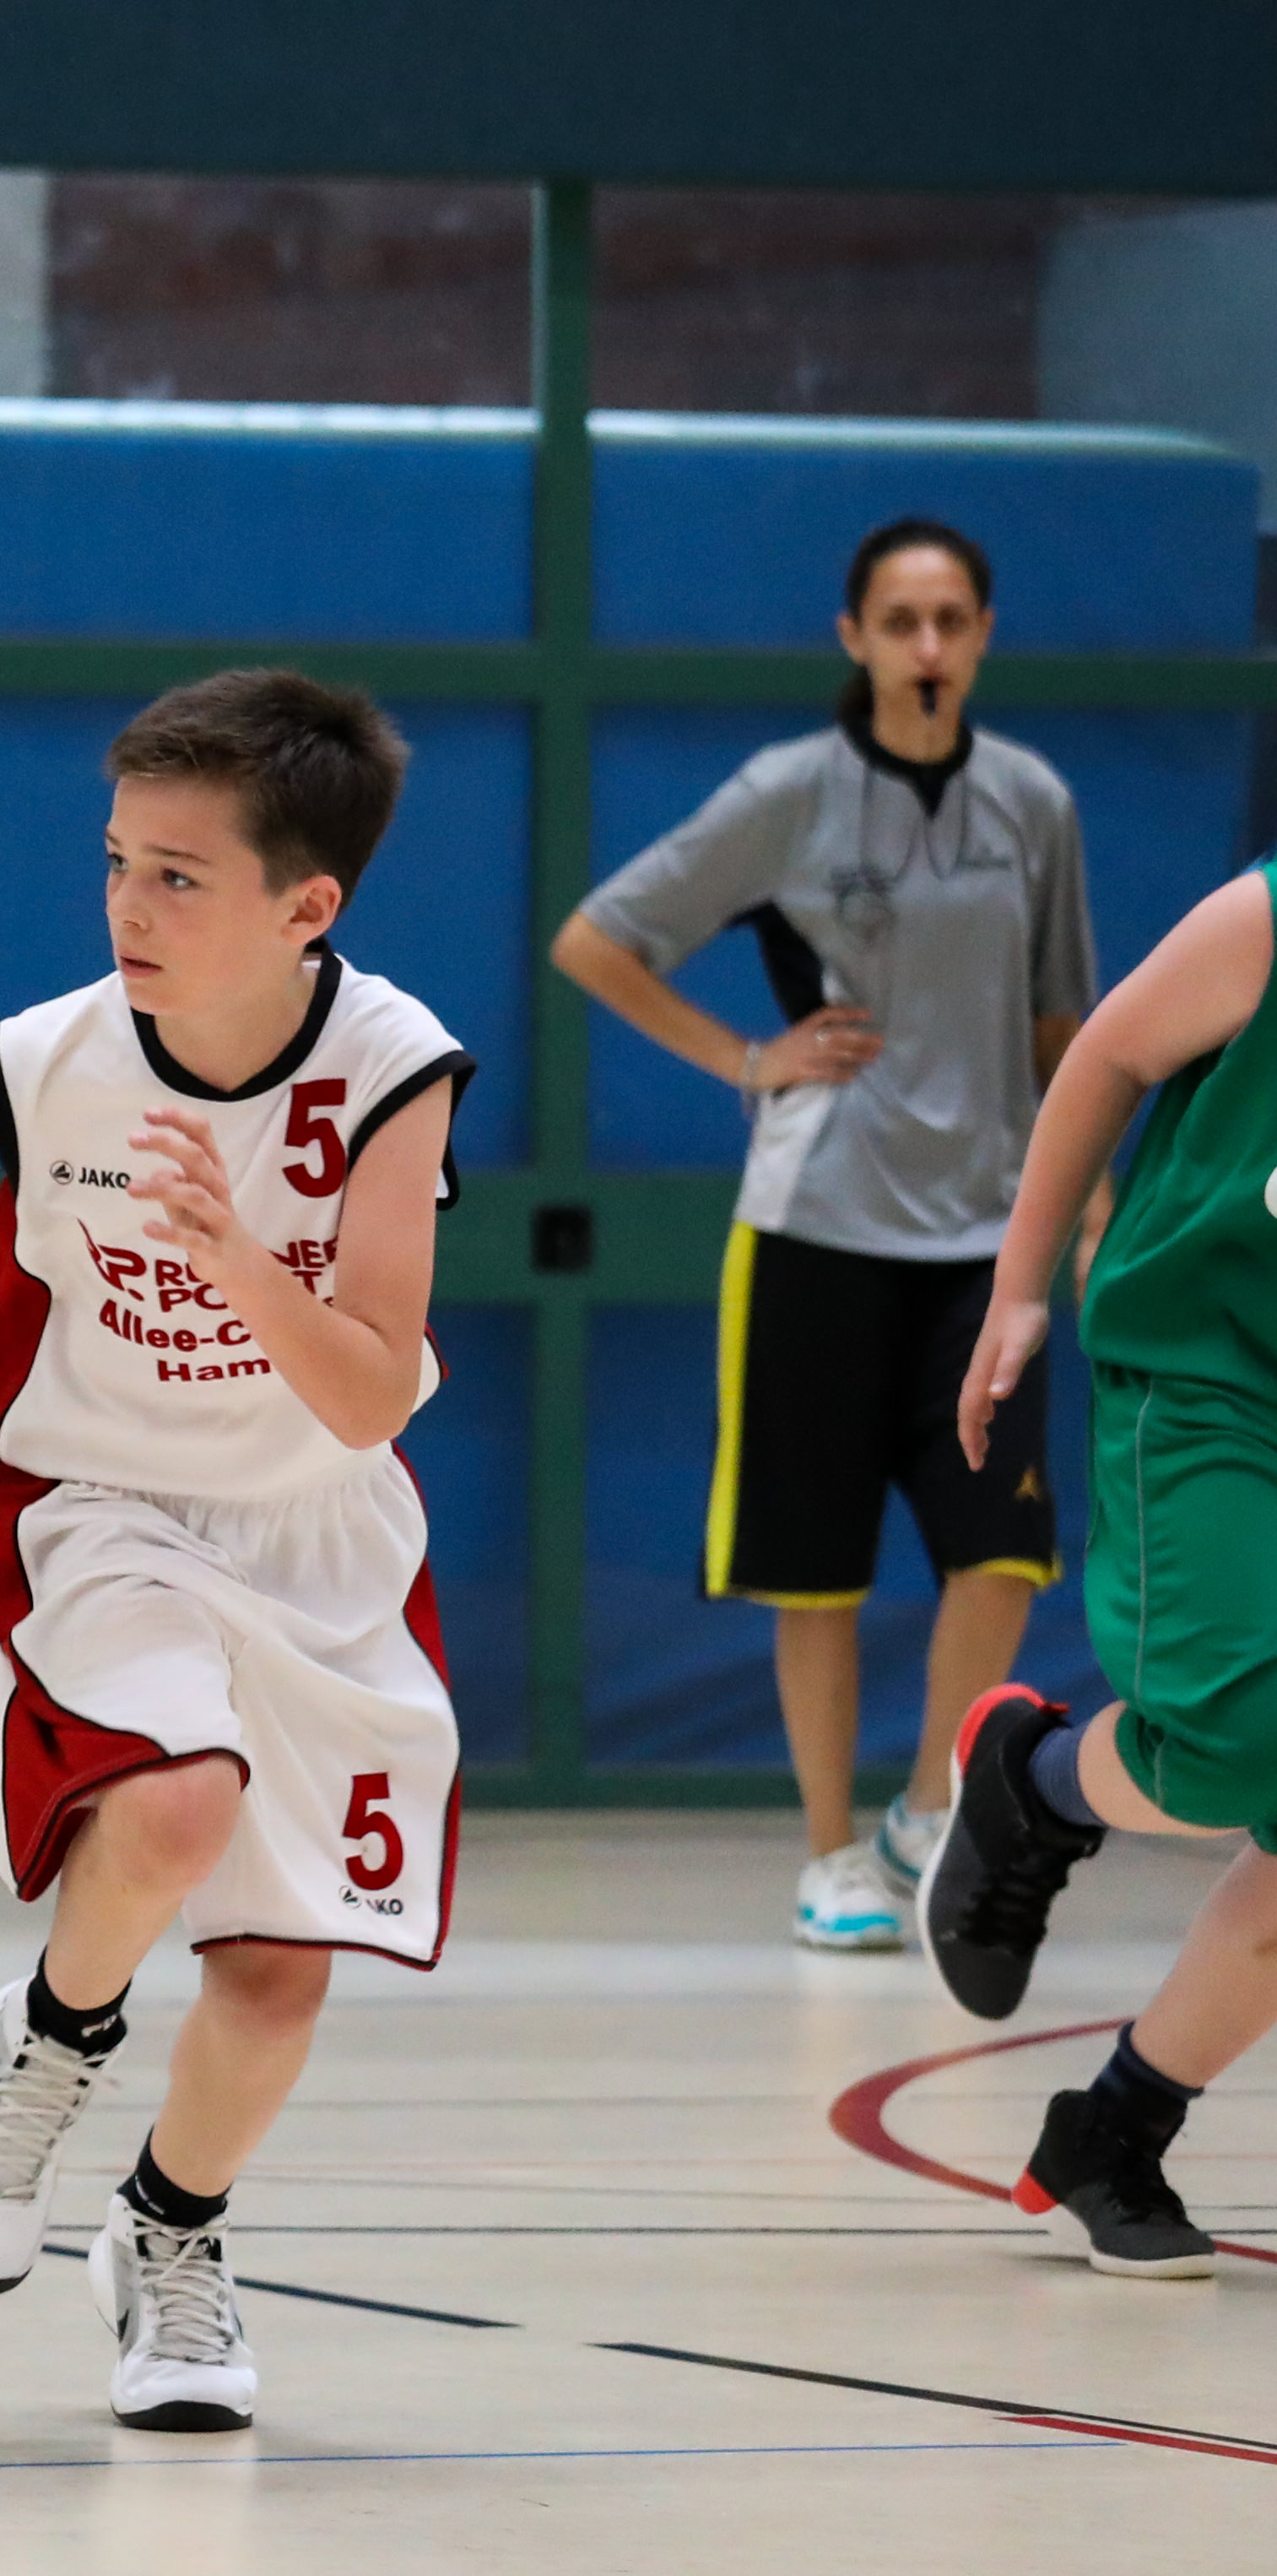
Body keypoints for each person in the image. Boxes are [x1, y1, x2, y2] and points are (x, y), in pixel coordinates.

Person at [0, 669, 469, 2432]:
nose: (129, 907)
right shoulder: (60, 1054)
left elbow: (369, 1393)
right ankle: (51, 2046)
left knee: (277, 1979)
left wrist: (234, 1261)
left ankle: (166, 2233)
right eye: (119, 863)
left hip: (317, 1532)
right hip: (105, 1505)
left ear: (306, 905)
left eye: (179, 878)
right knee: (175, 1805)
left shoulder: (389, 1071)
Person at [550, 517, 1097, 1951]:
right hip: (813, 1232)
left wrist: (1087, 1190)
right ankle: (825, 1853)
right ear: (853, 637)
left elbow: (1064, 1023)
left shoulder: (1031, 803)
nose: (926, 645)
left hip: (986, 1240)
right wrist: (745, 1058)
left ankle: (924, 1810)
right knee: (815, 1570)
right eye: (899, 620)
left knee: (1002, 1551)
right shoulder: (786, 793)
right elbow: (595, 940)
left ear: (981, 637)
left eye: (950, 619)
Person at [922, 856, 1277, 2279]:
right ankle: (1038, 1781)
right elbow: (1107, 1056)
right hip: (1211, 1382)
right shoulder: (1264, 919)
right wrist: (1017, 1287)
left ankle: (1111, 2132)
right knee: (1235, 1737)